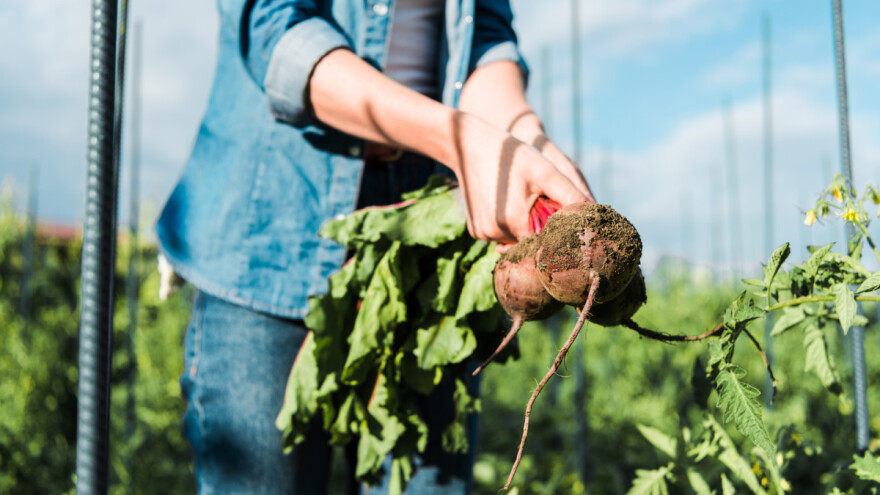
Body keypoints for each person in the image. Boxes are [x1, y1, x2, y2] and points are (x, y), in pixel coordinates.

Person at [156, 0, 593, 493]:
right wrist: (455, 138)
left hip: (430, 250)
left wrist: (524, 138)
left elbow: (484, 40)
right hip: (274, 223)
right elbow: (276, 29)